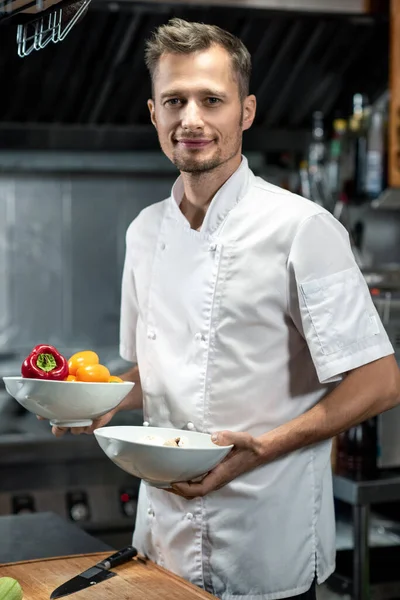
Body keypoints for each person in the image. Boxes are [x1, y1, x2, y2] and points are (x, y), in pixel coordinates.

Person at [49, 18, 400, 600]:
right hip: (160, 550)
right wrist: (93, 399)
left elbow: (380, 380)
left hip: (265, 547)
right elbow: (153, 371)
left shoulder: (302, 229)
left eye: (212, 100)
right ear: (153, 113)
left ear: (247, 111)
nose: (191, 118)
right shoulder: (144, 232)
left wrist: (265, 446)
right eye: (174, 100)